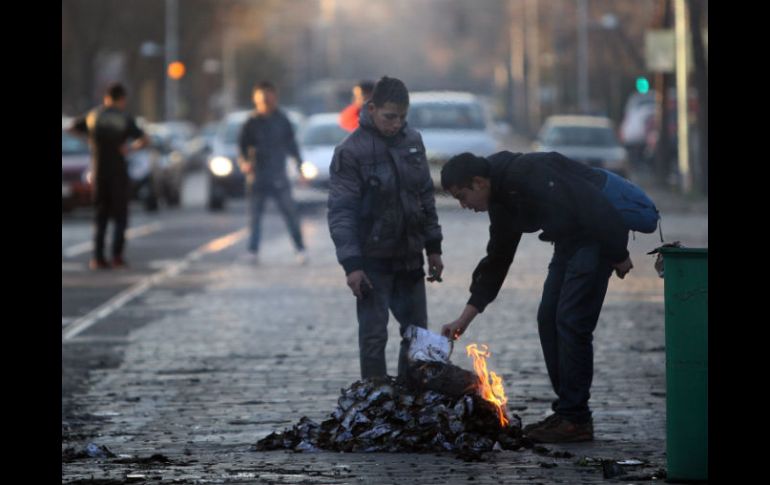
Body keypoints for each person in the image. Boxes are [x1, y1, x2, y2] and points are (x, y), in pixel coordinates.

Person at [439, 151, 634, 444]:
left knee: (570, 321)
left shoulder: (528, 172)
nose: (464, 205)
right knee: (548, 319)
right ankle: (568, 411)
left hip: (595, 239)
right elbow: (498, 259)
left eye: (462, 196)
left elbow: (590, 202)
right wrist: (463, 320)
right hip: (568, 243)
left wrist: (619, 253)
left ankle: (575, 418)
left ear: (479, 182)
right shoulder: (502, 201)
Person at [328, 76, 444, 381]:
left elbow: (424, 196)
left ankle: (414, 403)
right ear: (371, 108)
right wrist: (351, 265)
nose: (396, 124)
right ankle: (375, 402)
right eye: (389, 117)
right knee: (373, 339)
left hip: (409, 258)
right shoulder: (350, 151)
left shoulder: (413, 141)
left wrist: (433, 247)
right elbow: (341, 213)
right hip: (371, 263)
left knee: (418, 337)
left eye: (402, 117)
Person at [70, 82, 149, 270]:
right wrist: (129, 148)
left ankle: (97, 258)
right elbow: (145, 139)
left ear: (106, 97)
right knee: (120, 216)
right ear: (122, 99)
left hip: (99, 172)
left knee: (100, 216)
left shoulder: (93, 116)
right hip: (118, 173)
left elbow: (71, 128)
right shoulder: (124, 118)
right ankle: (117, 256)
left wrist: (91, 141)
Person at [238, 81, 307, 265]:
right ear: (255, 99)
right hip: (257, 176)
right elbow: (242, 148)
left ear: (275, 97)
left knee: (291, 214)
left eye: (269, 97)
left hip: (279, 176)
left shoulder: (282, 120)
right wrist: (245, 163)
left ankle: (300, 249)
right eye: (262, 98)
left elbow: (293, 146)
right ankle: (253, 250)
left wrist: (301, 167)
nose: (266, 101)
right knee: (255, 217)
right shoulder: (251, 122)